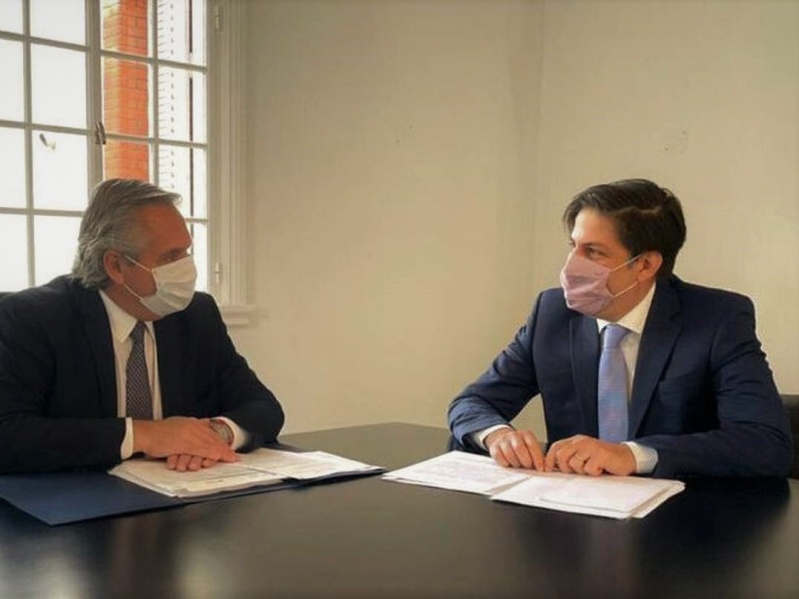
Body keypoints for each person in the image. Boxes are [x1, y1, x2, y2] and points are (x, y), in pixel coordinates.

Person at [448, 178, 793, 478]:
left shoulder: (717, 319)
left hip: (682, 518)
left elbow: (765, 443)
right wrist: (497, 435)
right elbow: (472, 402)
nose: (571, 266)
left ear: (645, 265)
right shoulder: (552, 314)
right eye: (573, 247)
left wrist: (631, 454)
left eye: (593, 252)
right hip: (570, 509)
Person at [0, 179, 284, 474]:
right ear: (116, 265)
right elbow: (7, 432)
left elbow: (263, 406)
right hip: (75, 496)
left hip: (181, 490)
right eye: (171, 256)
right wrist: (146, 435)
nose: (186, 267)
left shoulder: (196, 314)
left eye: (186, 252)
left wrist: (214, 434)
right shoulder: (32, 318)